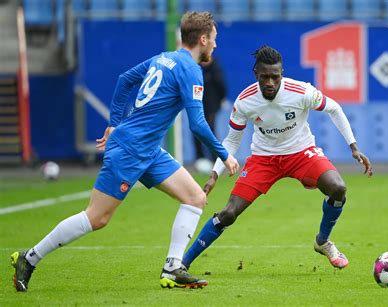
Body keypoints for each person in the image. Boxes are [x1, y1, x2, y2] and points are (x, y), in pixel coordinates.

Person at [10, 11, 239, 292]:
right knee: (97, 217)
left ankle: (173, 267)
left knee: (194, 198)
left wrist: (114, 123)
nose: (216, 45)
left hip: (148, 150)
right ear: (203, 39)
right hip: (131, 149)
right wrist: (223, 154)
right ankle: (29, 258)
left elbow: (124, 79)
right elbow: (198, 123)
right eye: (214, 39)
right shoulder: (190, 69)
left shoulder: (164, 58)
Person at [182, 46, 372, 272]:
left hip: (301, 153)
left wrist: (353, 147)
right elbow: (232, 141)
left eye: (275, 76)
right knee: (229, 213)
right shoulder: (245, 101)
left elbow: (334, 108)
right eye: (265, 77)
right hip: (264, 159)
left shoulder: (300, 91)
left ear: (282, 73)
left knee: (338, 188)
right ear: (256, 74)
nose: (270, 82)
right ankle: (182, 264)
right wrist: (214, 175)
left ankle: (323, 241)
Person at [193, 57, 227, 171]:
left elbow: (221, 87)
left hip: (211, 107)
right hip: (198, 106)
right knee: (196, 132)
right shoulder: (196, 69)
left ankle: (215, 159)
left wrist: (219, 102)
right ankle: (200, 158)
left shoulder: (215, 70)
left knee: (210, 131)